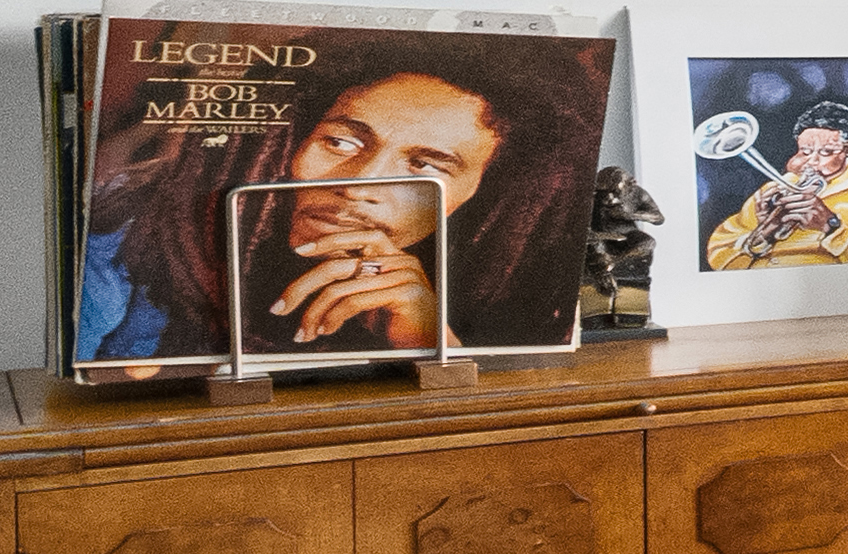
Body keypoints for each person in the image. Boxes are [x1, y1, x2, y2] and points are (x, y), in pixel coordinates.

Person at [81, 31, 600, 365]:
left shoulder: (512, 299)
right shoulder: (122, 244)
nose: (357, 184)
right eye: (341, 141)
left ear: (482, 196)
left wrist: (430, 345)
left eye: (423, 166)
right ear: (291, 141)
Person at [706, 100, 848, 267]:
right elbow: (718, 253)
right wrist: (765, 231)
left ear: (847, 150)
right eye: (805, 151)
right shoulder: (774, 189)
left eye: (826, 152)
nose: (811, 161)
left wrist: (831, 226)